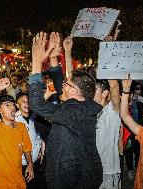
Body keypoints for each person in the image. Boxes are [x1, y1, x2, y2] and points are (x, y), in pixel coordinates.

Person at [28, 32, 103, 189]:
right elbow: (61, 80)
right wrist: (54, 58)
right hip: (83, 174)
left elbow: (36, 104)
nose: (62, 85)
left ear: (75, 91)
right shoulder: (84, 104)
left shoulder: (74, 111)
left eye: (66, 84)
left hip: (70, 179)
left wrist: (36, 61)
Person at [94, 80, 121, 189]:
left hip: (109, 170)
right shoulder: (88, 111)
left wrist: (108, 67)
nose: (90, 92)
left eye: (94, 90)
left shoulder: (111, 109)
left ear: (105, 93)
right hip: (92, 169)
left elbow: (114, 85)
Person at [15, 93, 44, 188]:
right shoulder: (13, 120)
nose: (27, 104)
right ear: (16, 104)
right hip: (22, 164)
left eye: (28, 102)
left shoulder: (35, 117)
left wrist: (41, 149)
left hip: (36, 161)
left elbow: (39, 135)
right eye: (23, 102)